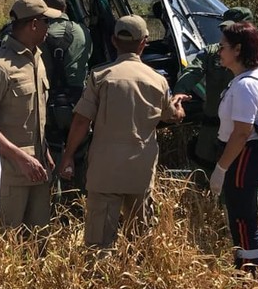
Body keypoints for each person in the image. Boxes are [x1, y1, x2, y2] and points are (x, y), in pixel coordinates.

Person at [57, 15, 187, 247]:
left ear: (114, 41)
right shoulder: (158, 80)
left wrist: (68, 156)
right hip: (140, 171)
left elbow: (80, 122)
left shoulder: (100, 77)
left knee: (99, 242)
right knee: (139, 237)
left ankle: (99, 278)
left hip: (105, 170)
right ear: (144, 42)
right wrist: (178, 107)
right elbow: (170, 116)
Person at [0, 0, 61, 230]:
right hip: (10, 174)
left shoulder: (37, 59)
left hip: (38, 169)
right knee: (5, 241)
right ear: (34, 24)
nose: (49, 28)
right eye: (47, 22)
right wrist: (19, 157)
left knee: (38, 240)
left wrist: (43, 151)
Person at [174, 7, 258, 177]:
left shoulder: (257, 65)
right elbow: (193, 72)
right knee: (202, 171)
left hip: (241, 135)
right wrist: (179, 92)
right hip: (211, 128)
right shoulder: (212, 53)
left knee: (235, 177)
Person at [211, 20, 258, 277]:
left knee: (244, 216)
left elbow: (242, 132)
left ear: (237, 50)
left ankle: (249, 273)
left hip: (243, 155)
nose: (219, 52)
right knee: (238, 214)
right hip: (242, 154)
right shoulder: (245, 79)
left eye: (222, 46)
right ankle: (243, 267)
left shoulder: (247, 85)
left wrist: (221, 168)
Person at [38, 0, 92, 191]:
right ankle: (76, 200)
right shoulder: (82, 31)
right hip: (76, 105)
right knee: (78, 154)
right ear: (65, 7)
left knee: (50, 153)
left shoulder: (38, 31)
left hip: (47, 103)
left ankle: (51, 198)